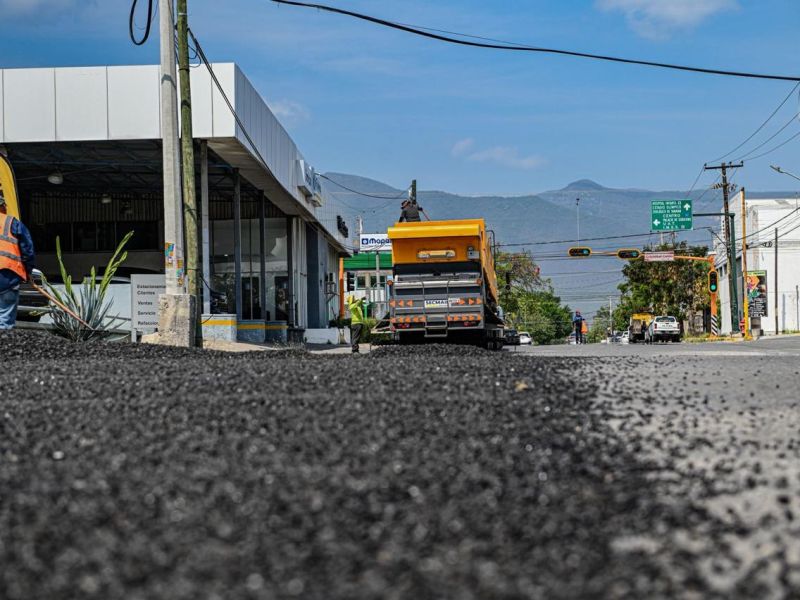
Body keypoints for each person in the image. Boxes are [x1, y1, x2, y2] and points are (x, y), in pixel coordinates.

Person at [0, 193, 35, 329]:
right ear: (3, 206)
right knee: (4, 321)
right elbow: (27, 250)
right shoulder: (12, 223)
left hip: (7, 276)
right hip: (7, 277)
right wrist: (28, 272)